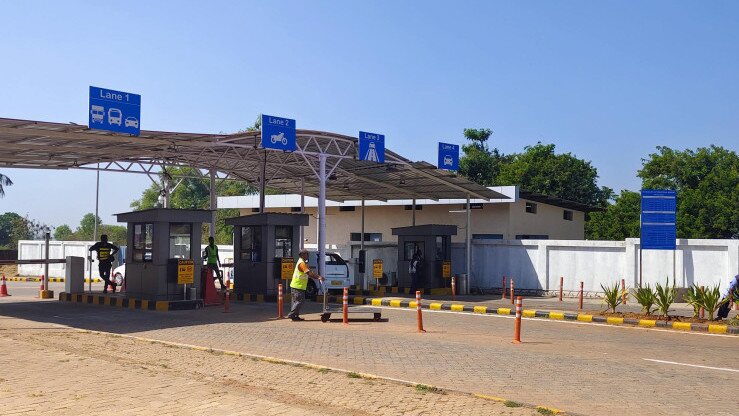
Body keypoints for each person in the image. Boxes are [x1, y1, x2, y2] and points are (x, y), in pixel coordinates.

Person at [288, 250, 323, 321]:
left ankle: (295, 316)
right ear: (302, 255)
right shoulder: (302, 263)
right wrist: (318, 277)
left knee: (297, 301)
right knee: (299, 301)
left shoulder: (303, 262)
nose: (308, 256)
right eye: (307, 254)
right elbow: (309, 273)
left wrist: (316, 275)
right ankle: (291, 314)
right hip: (297, 286)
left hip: (298, 286)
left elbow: (310, 272)